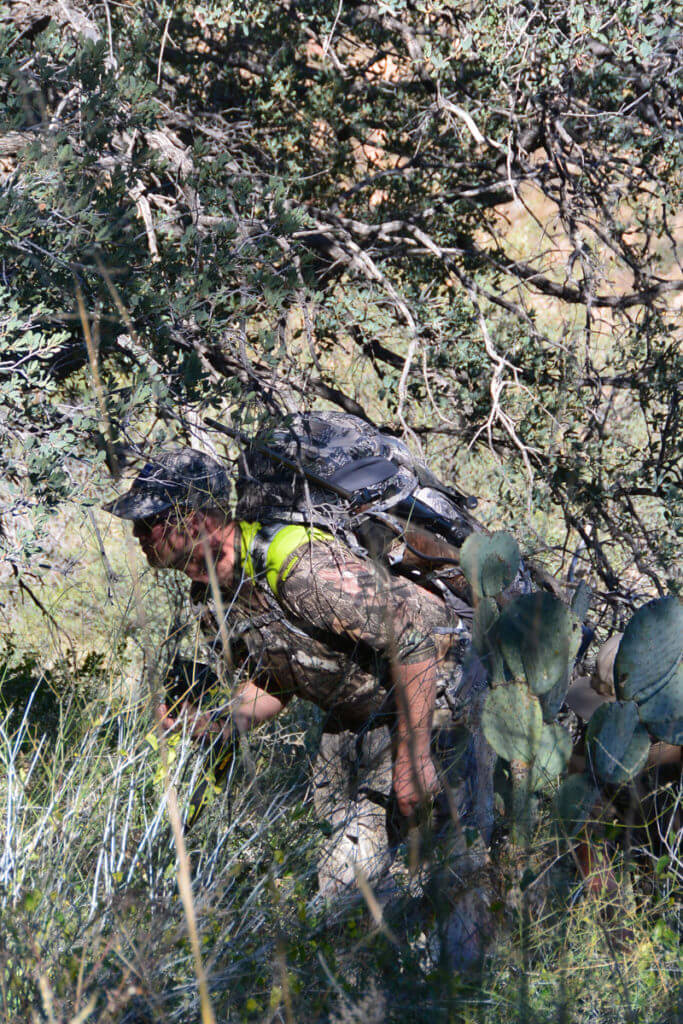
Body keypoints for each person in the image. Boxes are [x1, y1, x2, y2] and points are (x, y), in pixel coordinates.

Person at [104, 449, 494, 956]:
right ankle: (386, 994)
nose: (138, 534)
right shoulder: (215, 594)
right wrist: (215, 723)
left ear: (195, 520)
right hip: (360, 720)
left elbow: (415, 639)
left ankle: (468, 992)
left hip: (437, 696)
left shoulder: (297, 565)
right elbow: (277, 680)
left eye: (150, 521)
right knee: (343, 886)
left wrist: (414, 756)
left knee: (454, 869)